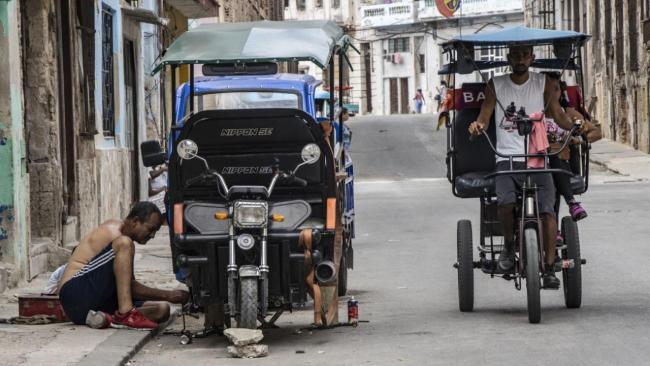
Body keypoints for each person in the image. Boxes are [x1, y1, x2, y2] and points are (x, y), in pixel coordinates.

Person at [468, 45, 579, 289]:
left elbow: (559, 116)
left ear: (532, 58)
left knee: (548, 212)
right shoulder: (495, 85)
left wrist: (575, 125)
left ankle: (549, 268)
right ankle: (508, 247)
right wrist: (477, 126)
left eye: (525, 55)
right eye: (515, 55)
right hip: (507, 159)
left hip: (538, 158)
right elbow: (484, 117)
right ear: (508, 58)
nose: (520, 59)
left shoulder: (545, 83)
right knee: (505, 203)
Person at [58, 202, 189, 330]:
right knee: (124, 243)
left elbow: (125, 287)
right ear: (135, 221)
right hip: (75, 295)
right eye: (151, 229)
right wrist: (168, 295)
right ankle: (126, 313)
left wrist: (168, 298)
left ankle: (106, 319)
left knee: (162, 310)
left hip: (95, 305)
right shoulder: (115, 235)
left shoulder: (122, 242)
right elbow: (130, 287)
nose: (153, 235)